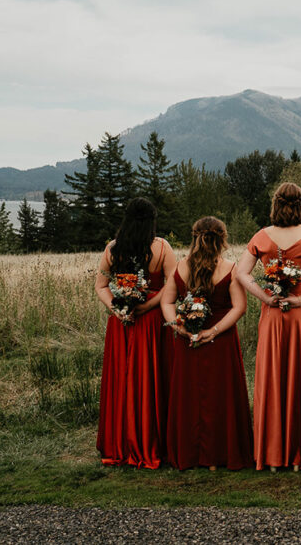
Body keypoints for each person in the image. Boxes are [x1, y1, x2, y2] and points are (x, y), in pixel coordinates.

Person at [236, 183, 301, 471]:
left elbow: (242, 273)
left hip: (273, 315)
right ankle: (299, 454)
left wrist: (266, 297)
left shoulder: (261, 236)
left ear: (276, 204)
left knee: (272, 376)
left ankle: (271, 456)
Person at [160, 216, 253, 470]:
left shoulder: (180, 267)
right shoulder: (231, 268)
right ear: (222, 240)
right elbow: (239, 308)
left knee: (189, 397)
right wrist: (213, 331)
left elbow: (166, 302)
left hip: (187, 341)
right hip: (220, 343)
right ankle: (221, 455)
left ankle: (190, 455)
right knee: (220, 397)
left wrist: (179, 328)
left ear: (194, 237)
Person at [94, 197, 176, 468]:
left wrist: (117, 308)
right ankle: (150, 440)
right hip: (149, 322)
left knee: (124, 379)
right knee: (149, 379)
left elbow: (101, 286)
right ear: (151, 221)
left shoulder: (113, 249)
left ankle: (120, 441)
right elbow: (172, 285)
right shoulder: (162, 247)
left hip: (121, 323)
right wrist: (148, 306)